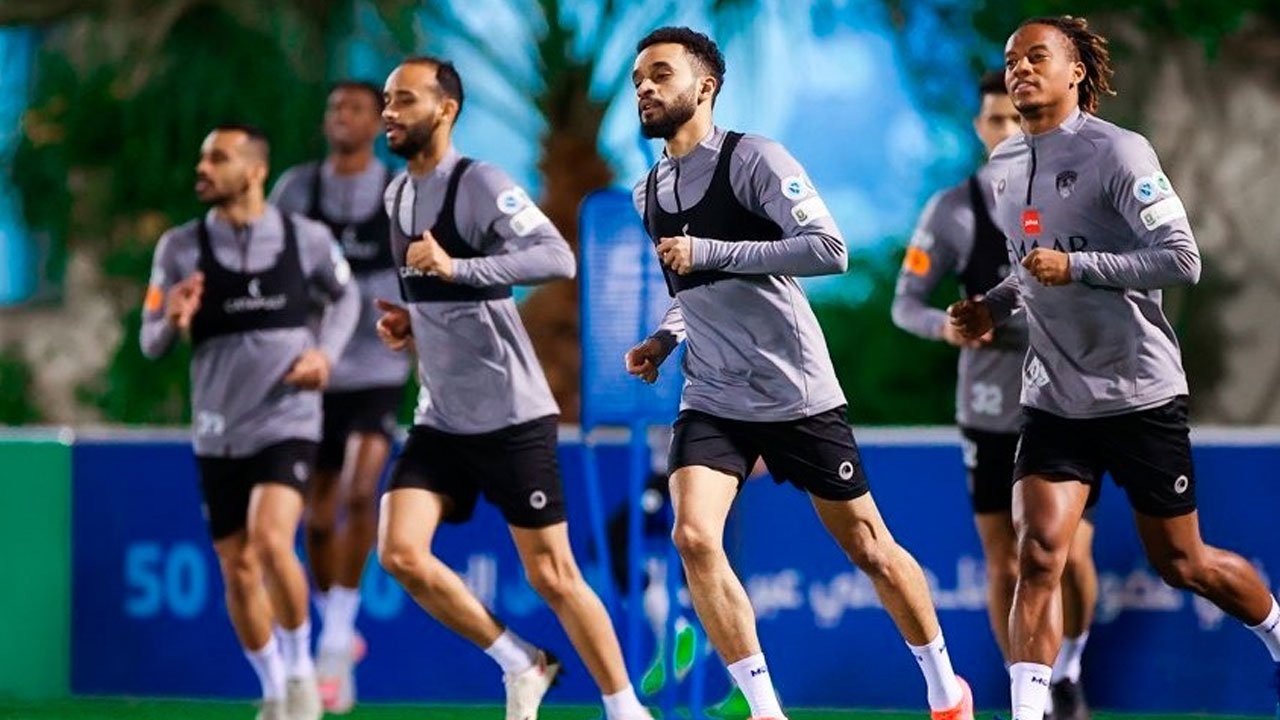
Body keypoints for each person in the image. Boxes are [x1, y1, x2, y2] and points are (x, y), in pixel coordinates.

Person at [624, 26, 974, 720]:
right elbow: (690, 295)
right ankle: (764, 708)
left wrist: (711, 250)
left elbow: (828, 249)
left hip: (794, 391)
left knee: (870, 548)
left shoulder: (754, 158)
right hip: (712, 393)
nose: (645, 89)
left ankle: (945, 691)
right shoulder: (648, 193)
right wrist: (664, 340)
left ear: (705, 86)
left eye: (661, 75)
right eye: (638, 80)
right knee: (693, 536)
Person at [947, 16, 1280, 720]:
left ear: (1076, 72)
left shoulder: (1119, 152)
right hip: (1053, 398)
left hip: (1139, 394)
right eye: (1012, 59)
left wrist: (1079, 266)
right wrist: (991, 307)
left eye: (1037, 57)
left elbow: (1181, 259)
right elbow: (1028, 269)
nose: (1020, 68)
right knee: (1040, 554)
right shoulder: (1003, 168)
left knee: (1183, 563)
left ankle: (1277, 635)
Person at [370, 56, 650, 720]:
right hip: (440, 418)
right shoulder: (396, 195)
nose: (389, 112)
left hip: (510, 416)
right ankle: (520, 661)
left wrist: (457, 266)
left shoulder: (479, 183)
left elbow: (557, 257)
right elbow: (438, 293)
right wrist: (411, 321)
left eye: (404, 100)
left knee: (553, 575)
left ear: (446, 110)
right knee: (401, 553)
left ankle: (625, 709)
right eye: (386, 99)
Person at [892, 70, 1097, 717]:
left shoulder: (1077, 195)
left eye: (1020, 117)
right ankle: (1029, 697)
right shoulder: (955, 211)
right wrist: (946, 327)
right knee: (1006, 561)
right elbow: (906, 304)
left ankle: (1069, 667)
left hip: (1069, 402)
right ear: (981, 127)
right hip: (990, 410)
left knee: (1070, 557)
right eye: (997, 119)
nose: (1009, 130)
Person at [140, 123, 360, 720]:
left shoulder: (305, 239)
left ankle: (302, 675)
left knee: (270, 541)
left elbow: (346, 297)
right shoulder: (178, 248)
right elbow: (150, 342)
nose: (203, 168)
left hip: (288, 417)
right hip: (218, 429)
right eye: (202, 157)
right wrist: (172, 319)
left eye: (218, 158)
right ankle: (273, 687)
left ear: (256, 170)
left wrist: (325, 355)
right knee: (237, 569)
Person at [269, 80, 408, 713]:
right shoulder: (298, 191)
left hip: (378, 364)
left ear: (378, 123)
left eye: (356, 108)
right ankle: (336, 625)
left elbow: (422, 270)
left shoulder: (399, 191)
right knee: (318, 519)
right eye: (334, 108)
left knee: (360, 493)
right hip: (316, 366)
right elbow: (269, 263)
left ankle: (333, 643)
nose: (342, 117)